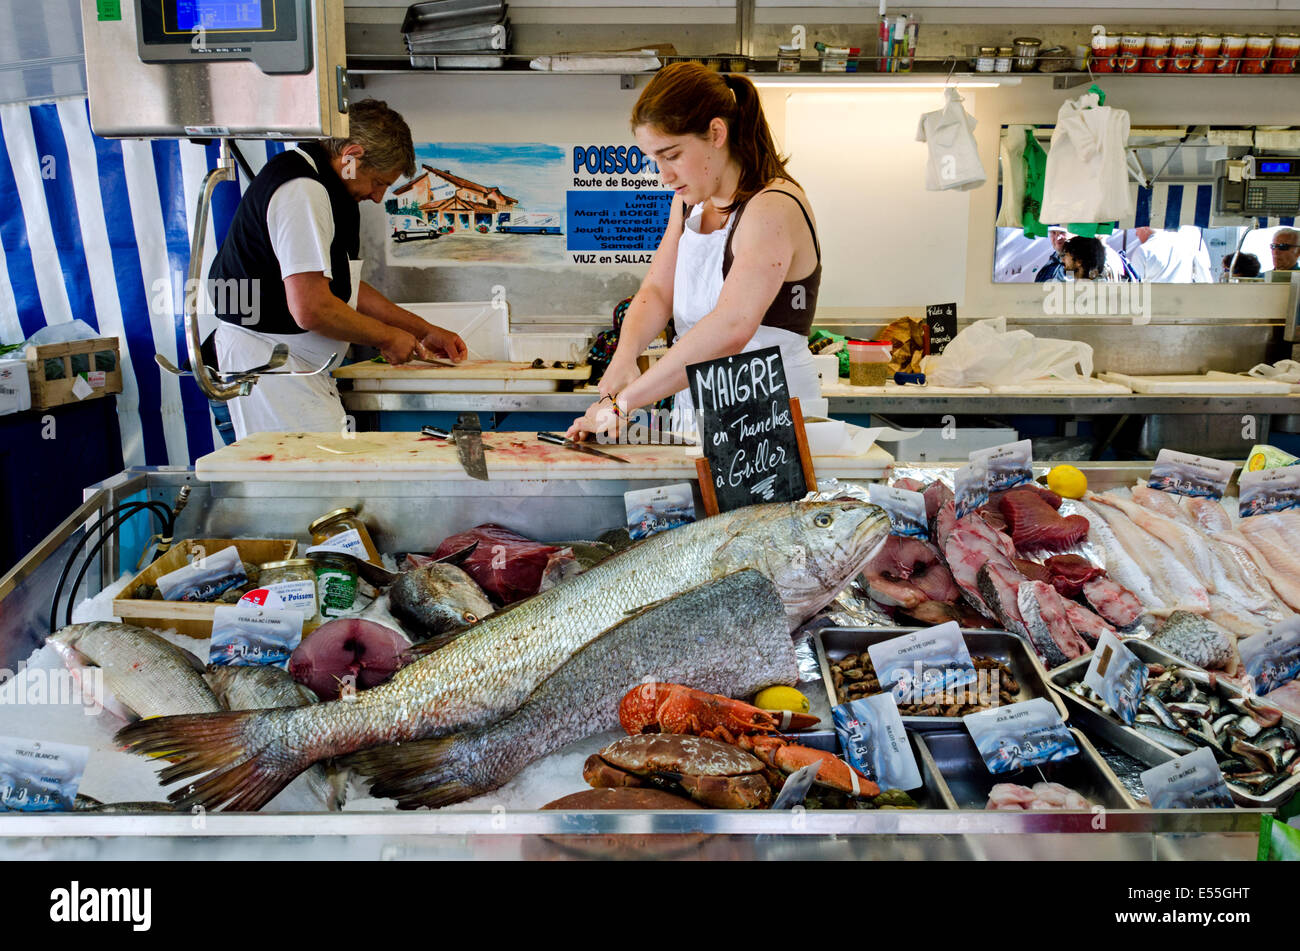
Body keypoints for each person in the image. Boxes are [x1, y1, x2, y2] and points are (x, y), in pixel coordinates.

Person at [565, 63, 821, 441]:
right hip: (700, 413)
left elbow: (732, 327)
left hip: (770, 420)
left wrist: (625, 403)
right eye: (654, 160)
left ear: (717, 133)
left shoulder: (772, 206)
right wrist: (625, 357)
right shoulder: (689, 205)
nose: (663, 175)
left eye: (671, 155)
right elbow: (657, 291)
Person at [207, 99, 467, 440]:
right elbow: (312, 309)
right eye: (378, 182)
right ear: (352, 156)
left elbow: (346, 289)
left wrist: (422, 330)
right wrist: (386, 337)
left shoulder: (330, 189)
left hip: (292, 369)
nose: (378, 197)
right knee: (316, 486)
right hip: (267, 367)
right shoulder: (302, 190)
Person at [1131, 225, 1212, 282]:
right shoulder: (1185, 244)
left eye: (1137, 230)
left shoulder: (1143, 251)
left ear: (1145, 228)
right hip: (1183, 301)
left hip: (1156, 303)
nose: (1136, 234)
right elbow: (1202, 271)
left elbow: (1134, 287)